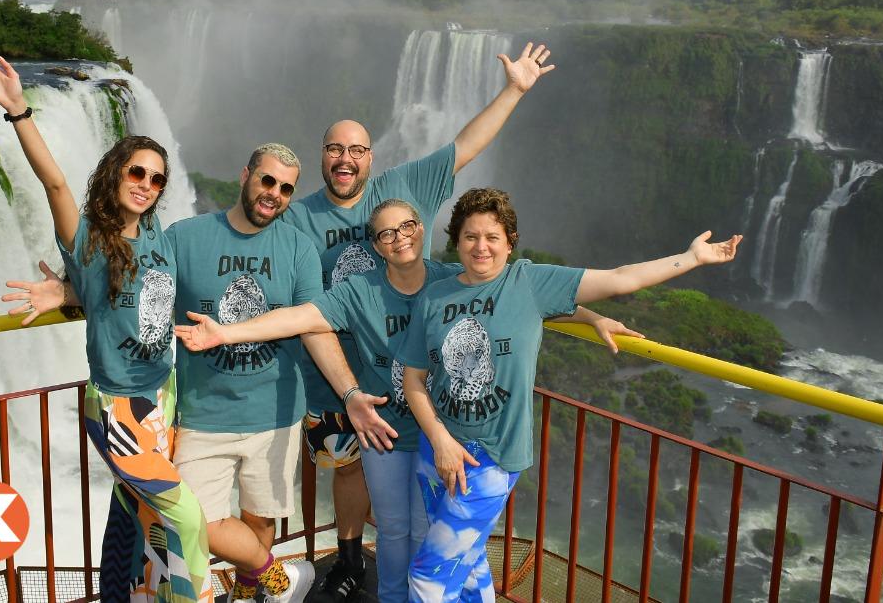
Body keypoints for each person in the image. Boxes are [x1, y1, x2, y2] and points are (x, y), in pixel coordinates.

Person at [172, 197, 640, 603]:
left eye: (408, 227)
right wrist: (226, 332)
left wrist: (589, 316)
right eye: (386, 234)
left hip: (446, 438)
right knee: (394, 531)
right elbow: (299, 316)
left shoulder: (449, 278)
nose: (399, 238)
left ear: (421, 230)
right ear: (376, 246)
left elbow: (515, 293)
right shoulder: (361, 291)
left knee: (425, 537)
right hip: (388, 434)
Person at [9, 143, 389, 603]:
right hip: (198, 414)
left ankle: (256, 594)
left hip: (275, 416)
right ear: (246, 174)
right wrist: (71, 291)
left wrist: (349, 394)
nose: (274, 194)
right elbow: (132, 280)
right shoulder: (185, 238)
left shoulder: (297, 249)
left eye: (286, 188)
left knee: (261, 519)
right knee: (195, 523)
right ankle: (280, 578)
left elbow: (313, 325)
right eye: (267, 180)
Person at [281, 42, 556, 599]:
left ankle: (405, 584)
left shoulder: (401, 190)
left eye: (356, 149)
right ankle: (359, 564)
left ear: (370, 158)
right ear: (322, 155)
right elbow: (294, 297)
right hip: (340, 386)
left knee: (426, 519)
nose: (345, 159)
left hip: (424, 393)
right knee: (359, 483)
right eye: (335, 149)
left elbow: (465, 146)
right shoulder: (300, 215)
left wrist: (515, 89)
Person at [399, 187, 741, 603]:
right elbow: (414, 378)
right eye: (471, 236)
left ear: (510, 241)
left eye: (492, 236)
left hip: (491, 458)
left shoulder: (528, 281)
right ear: (457, 241)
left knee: (428, 577)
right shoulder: (435, 296)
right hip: (438, 452)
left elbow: (620, 278)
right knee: (468, 565)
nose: (481, 247)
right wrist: (439, 440)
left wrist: (691, 258)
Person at [0, 47, 212, 603]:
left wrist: (70, 293)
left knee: (135, 514)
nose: (146, 183)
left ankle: (119, 594)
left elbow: (137, 300)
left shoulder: (158, 240)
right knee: (187, 519)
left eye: (156, 179)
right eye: (136, 172)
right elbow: (54, 185)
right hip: (118, 408)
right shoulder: (90, 240)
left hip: (162, 396)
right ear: (116, 173)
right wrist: (19, 111)